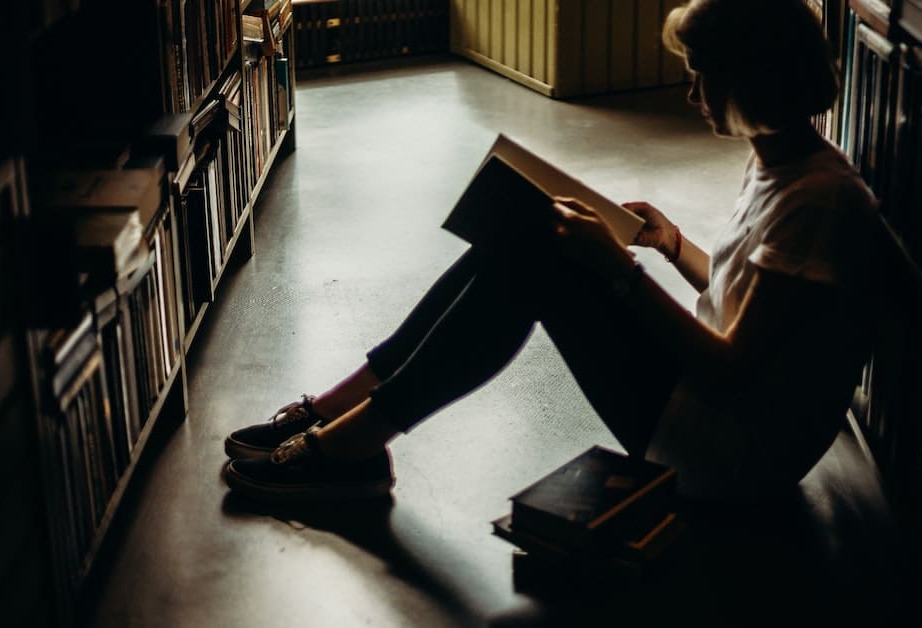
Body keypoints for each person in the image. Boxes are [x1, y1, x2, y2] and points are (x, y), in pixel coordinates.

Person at [222, 0, 878, 506]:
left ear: (754, 82)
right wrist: (673, 248)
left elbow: (732, 367)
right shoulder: (786, 164)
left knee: (536, 262)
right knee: (527, 234)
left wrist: (619, 269)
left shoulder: (816, 200)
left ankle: (352, 444)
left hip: (730, 458)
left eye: (703, 79)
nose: (690, 96)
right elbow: (751, 301)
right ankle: (351, 415)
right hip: (712, 414)